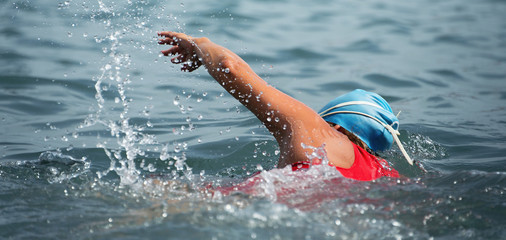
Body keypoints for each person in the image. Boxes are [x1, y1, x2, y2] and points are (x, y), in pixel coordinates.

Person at [158, 31, 412, 182]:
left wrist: (200, 44)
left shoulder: (321, 135)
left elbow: (229, 66)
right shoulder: (387, 175)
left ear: (335, 124)